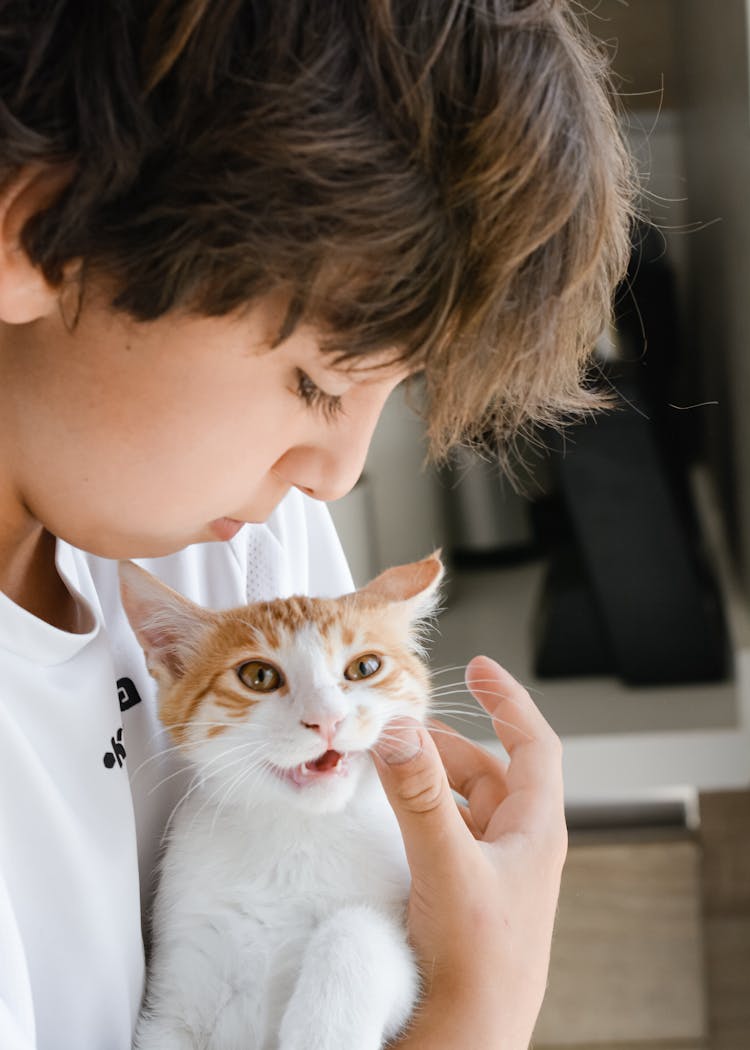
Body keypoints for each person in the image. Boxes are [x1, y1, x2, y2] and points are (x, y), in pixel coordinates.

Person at [0, 2, 632, 1048]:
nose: (331, 478)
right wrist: (478, 1007)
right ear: (35, 235)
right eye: (312, 383)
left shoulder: (234, 547)